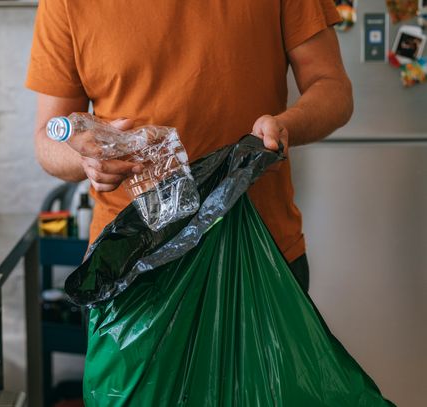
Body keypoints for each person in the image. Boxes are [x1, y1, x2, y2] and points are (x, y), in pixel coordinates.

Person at [26, 0, 353, 293]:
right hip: (132, 267)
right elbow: (47, 139)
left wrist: (286, 127)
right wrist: (86, 158)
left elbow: (332, 88)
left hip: (259, 253)